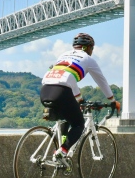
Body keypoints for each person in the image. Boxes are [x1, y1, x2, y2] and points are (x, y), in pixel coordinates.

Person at [40, 32, 120, 165]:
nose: (92, 51)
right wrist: (112, 100)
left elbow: (68, 79)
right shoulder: (88, 59)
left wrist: (80, 100)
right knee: (78, 124)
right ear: (88, 47)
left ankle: (60, 153)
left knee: (66, 117)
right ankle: (63, 150)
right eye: (92, 48)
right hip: (62, 91)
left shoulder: (63, 55)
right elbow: (101, 81)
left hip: (45, 90)